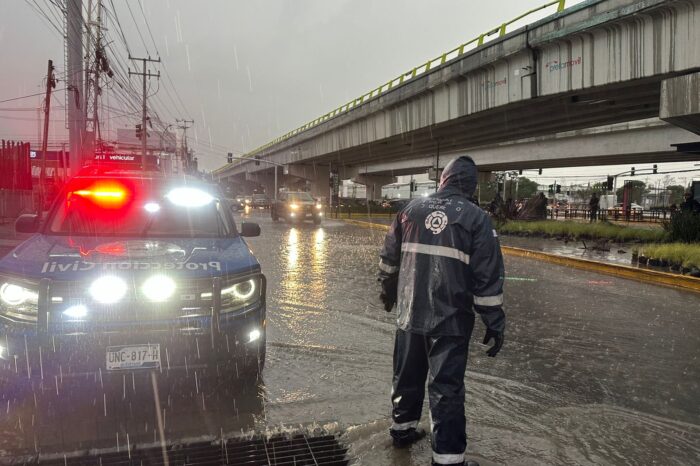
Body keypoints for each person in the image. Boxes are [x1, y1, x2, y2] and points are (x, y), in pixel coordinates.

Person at [378, 156, 506, 466]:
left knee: (406, 376)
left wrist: (387, 291)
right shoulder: (476, 219)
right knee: (446, 389)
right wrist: (495, 321)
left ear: (443, 180)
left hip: (409, 314)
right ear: (472, 186)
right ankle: (448, 459)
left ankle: (402, 431)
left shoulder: (410, 211)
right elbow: (486, 277)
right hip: (450, 320)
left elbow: (388, 260)